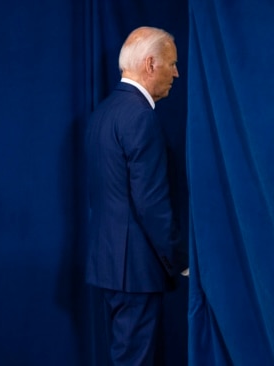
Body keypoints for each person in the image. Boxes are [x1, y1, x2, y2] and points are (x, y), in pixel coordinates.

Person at [84, 26, 188, 366]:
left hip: (109, 266)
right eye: (171, 63)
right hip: (137, 271)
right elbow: (151, 203)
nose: (177, 72)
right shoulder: (141, 118)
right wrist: (178, 259)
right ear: (150, 64)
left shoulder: (102, 114)